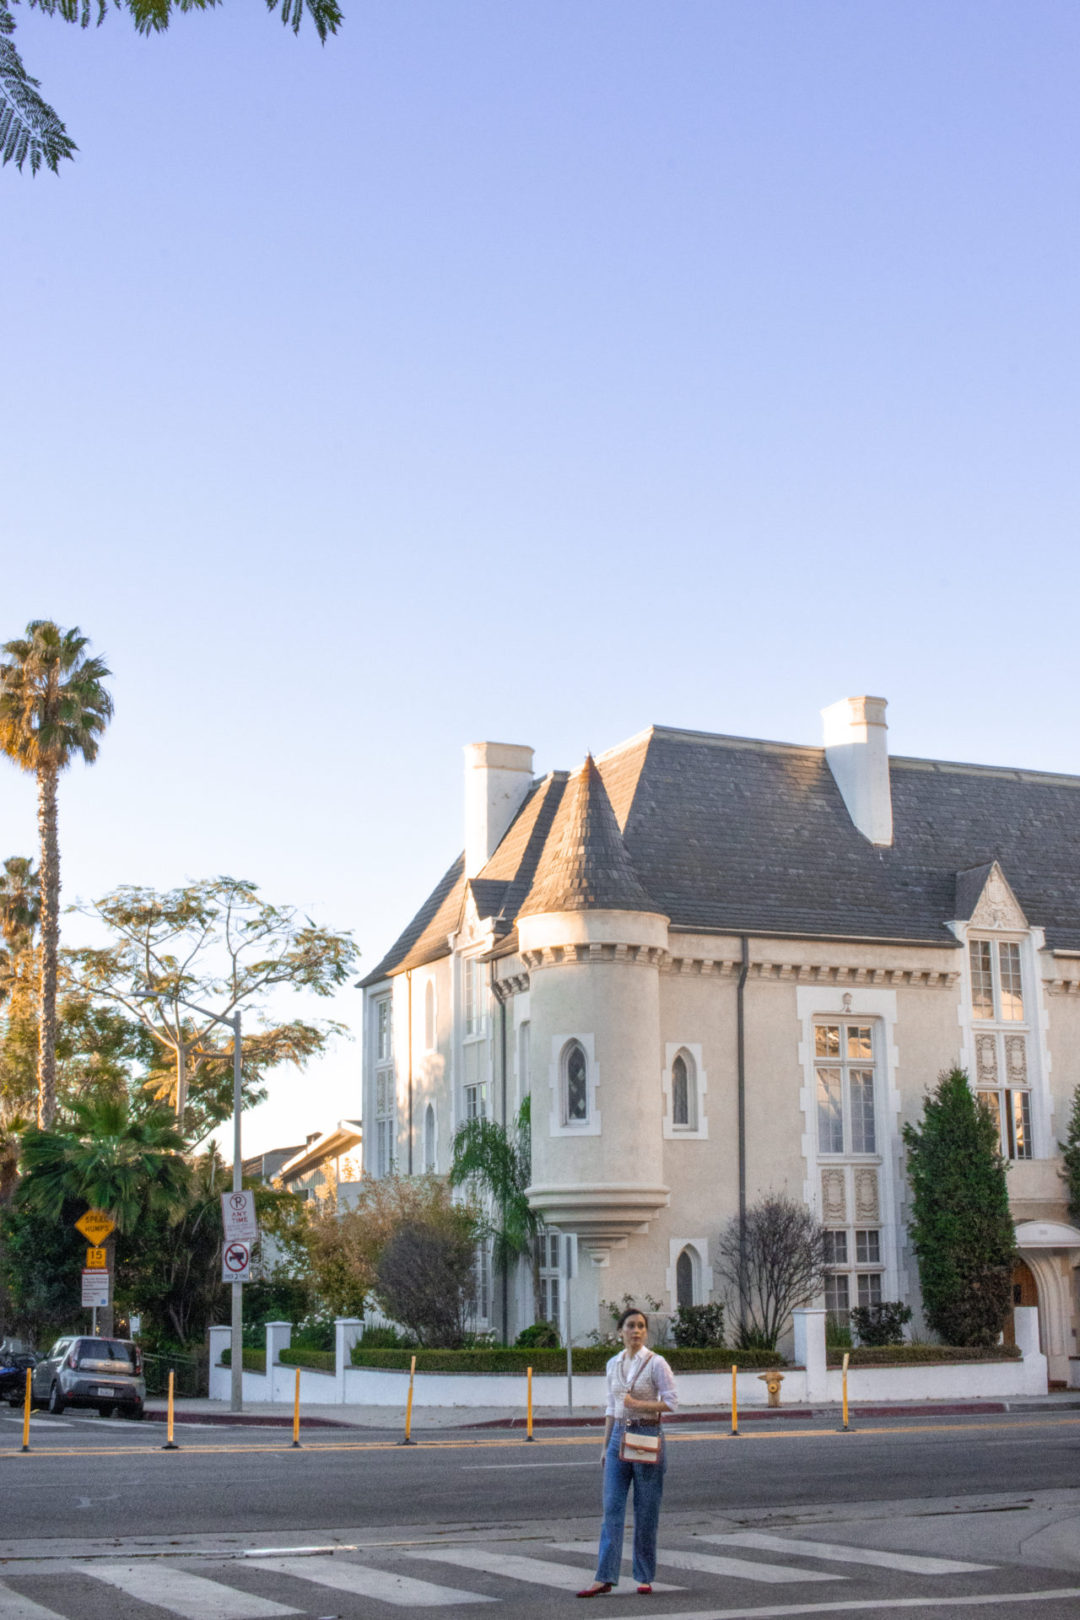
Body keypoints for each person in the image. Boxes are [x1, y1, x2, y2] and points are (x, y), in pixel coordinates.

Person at [576, 1306, 678, 1598]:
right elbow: (612, 1407)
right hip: (619, 1434)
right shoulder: (613, 1364)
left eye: (641, 1326)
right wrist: (604, 1445)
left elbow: (671, 1402)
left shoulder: (656, 1363)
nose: (636, 1331)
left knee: (646, 1510)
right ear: (620, 1331)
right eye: (631, 1326)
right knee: (612, 1508)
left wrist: (638, 1404)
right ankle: (604, 1576)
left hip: (647, 1433)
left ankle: (644, 1575)